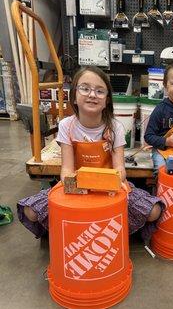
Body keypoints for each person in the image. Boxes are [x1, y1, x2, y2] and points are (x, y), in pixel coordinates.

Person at [17, 66, 164, 242]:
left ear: (107, 100)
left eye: (100, 91)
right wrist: (75, 186)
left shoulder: (115, 127)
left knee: (154, 210)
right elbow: (67, 170)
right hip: (78, 186)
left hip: (109, 187)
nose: (92, 94)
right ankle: (69, 228)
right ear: (74, 96)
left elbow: (120, 169)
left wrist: (114, 182)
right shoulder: (66, 126)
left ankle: (112, 230)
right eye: (85, 88)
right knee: (31, 211)